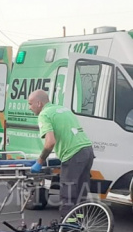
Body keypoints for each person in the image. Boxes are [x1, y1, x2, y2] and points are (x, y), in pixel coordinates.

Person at [28, 90, 94, 219]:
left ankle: (67, 230)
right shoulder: (63, 109)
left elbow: (50, 142)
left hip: (73, 154)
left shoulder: (44, 114)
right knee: (81, 192)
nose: (29, 108)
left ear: (39, 103)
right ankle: (79, 225)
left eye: (30, 104)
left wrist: (40, 161)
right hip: (87, 151)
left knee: (68, 194)